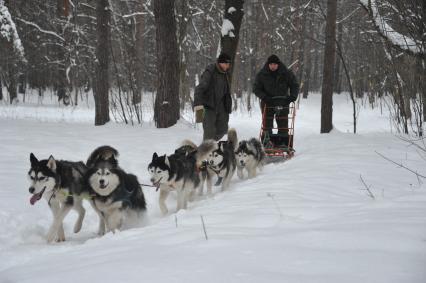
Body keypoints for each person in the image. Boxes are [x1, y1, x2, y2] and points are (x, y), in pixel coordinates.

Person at [253, 54, 299, 145]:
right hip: (268, 102)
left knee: (283, 124)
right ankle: (267, 143)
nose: (273, 66)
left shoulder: (286, 73)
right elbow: (256, 88)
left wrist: (292, 96)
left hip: (283, 102)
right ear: (268, 64)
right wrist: (265, 97)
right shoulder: (262, 74)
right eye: (271, 64)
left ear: (278, 64)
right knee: (267, 125)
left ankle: (283, 143)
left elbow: (294, 85)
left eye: (274, 64)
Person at [194, 52, 233, 141]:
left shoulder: (226, 73)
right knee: (209, 132)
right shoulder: (210, 71)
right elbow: (200, 87)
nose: (228, 66)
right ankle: (207, 149)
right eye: (226, 63)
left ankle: (210, 145)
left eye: (229, 64)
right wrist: (198, 105)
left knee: (223, 129)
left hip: (221, 107)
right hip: (209, 106)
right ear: (221, 63)